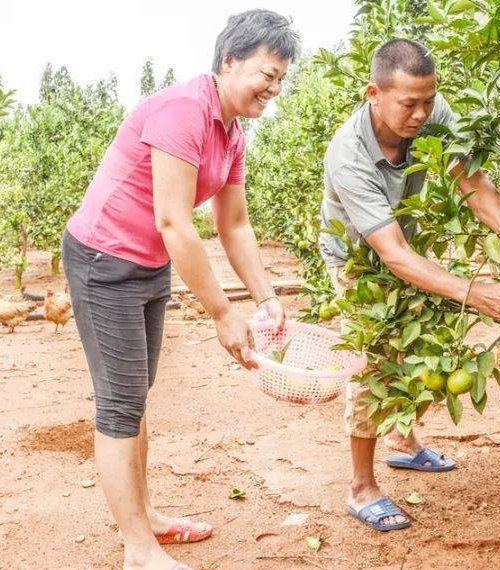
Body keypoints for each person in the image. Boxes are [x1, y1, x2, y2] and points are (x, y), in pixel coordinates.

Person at [62, 10, 297, 570]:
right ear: (229, 61)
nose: (274, 88)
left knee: (135, 396)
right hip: (104, 259)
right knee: (120, 405)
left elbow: (234, 224)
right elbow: (173, 221)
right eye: (267, 74)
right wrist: (222, 312)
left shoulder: (232, 132)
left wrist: (265, 296)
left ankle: (145, 518)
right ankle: (139, 550)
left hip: (148, 264)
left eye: (282, 79)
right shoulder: (183, 111)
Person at [320, 38, 500, 532]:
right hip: (358, 259)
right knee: (374, 362)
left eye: (428, 100)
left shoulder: (433, 112)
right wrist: (476, 294)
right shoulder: (348, 154)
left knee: (418, 346)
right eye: (408, 104)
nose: (421, 114)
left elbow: (470, 180)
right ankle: (361, 487)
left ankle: (403, 440)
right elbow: (391, 254)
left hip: (405, 245)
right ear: (374, 93)